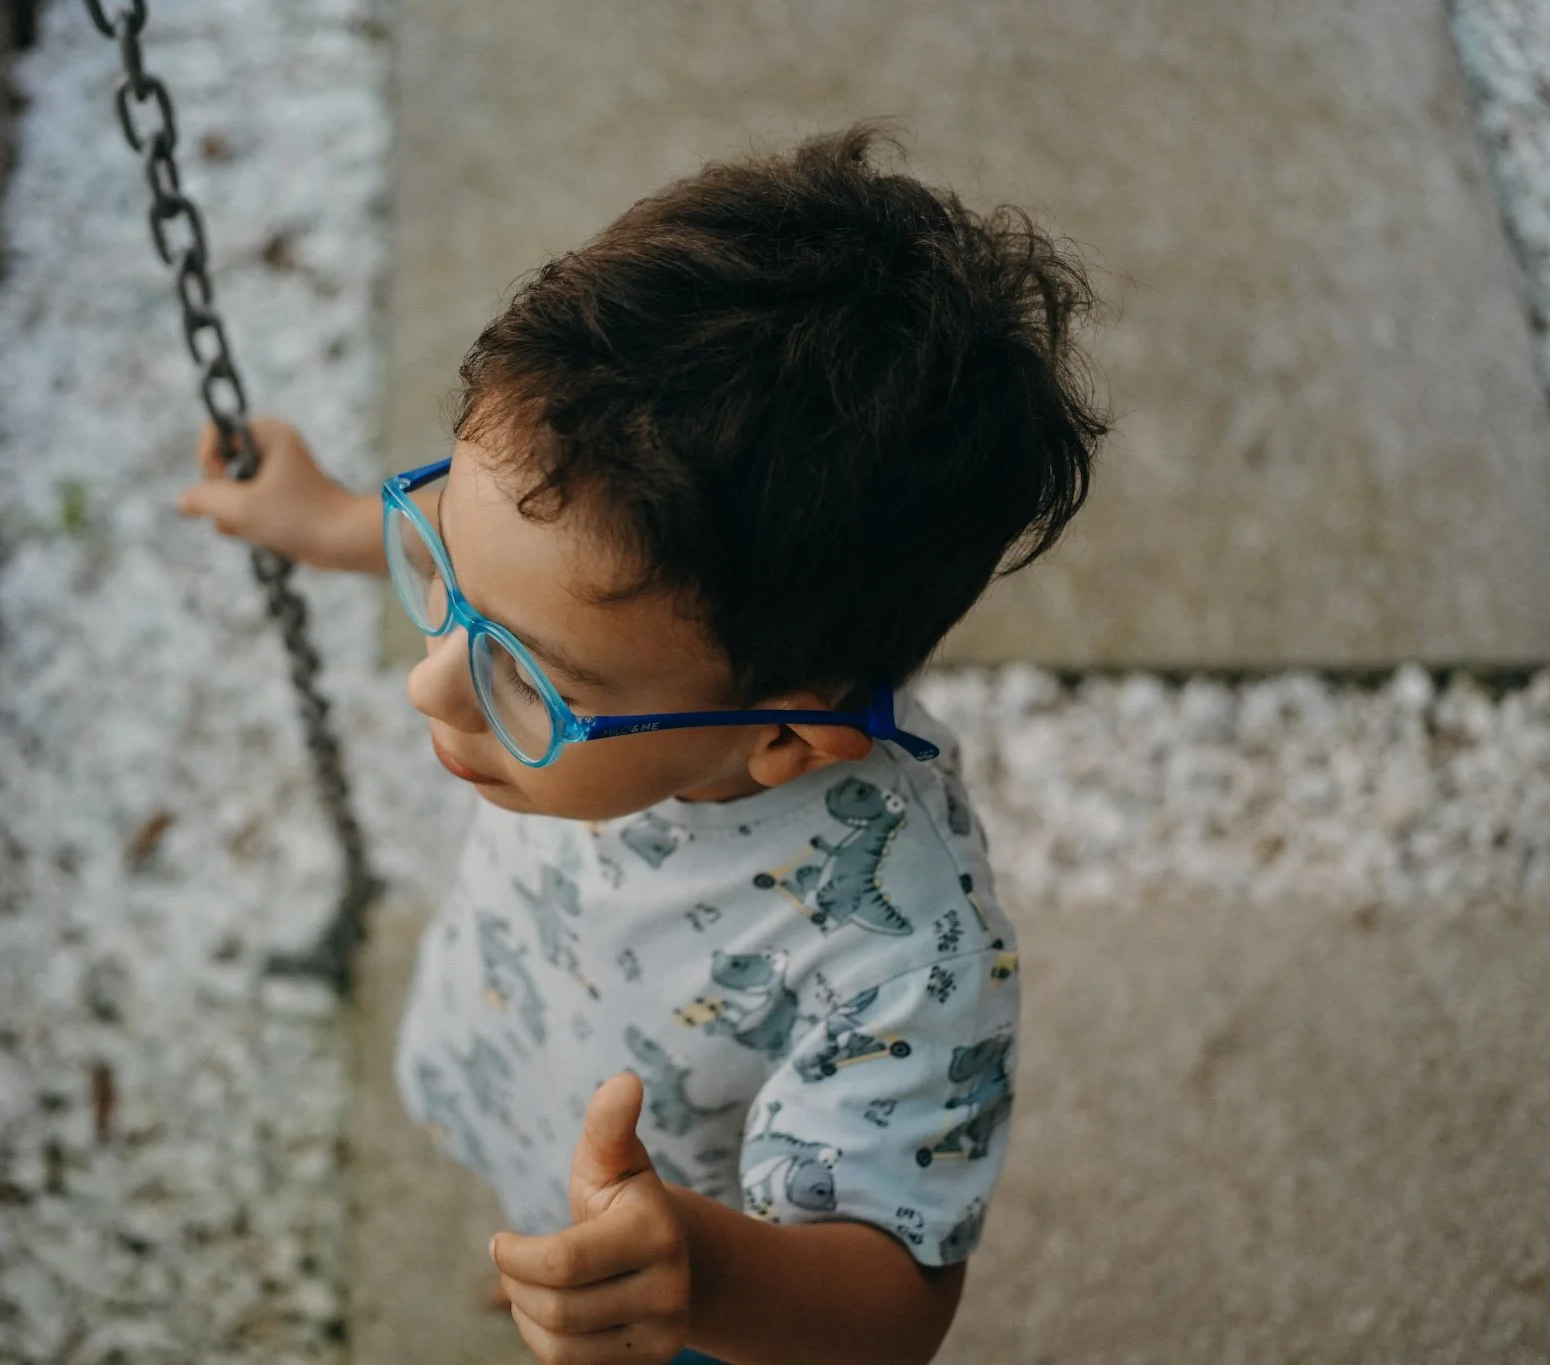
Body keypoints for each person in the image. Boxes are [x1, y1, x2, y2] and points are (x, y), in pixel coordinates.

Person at [178, 124, 1107, 1365]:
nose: (429, 686)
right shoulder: (615, 661)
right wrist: (336, 522)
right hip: (516, 1048)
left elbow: (893, 1306)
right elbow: (505, 559)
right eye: (443, 570)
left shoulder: (902, 950)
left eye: (531, 677)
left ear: (785, 739)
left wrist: (693, 1274)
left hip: (700, 1298)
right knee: (545, 1236)